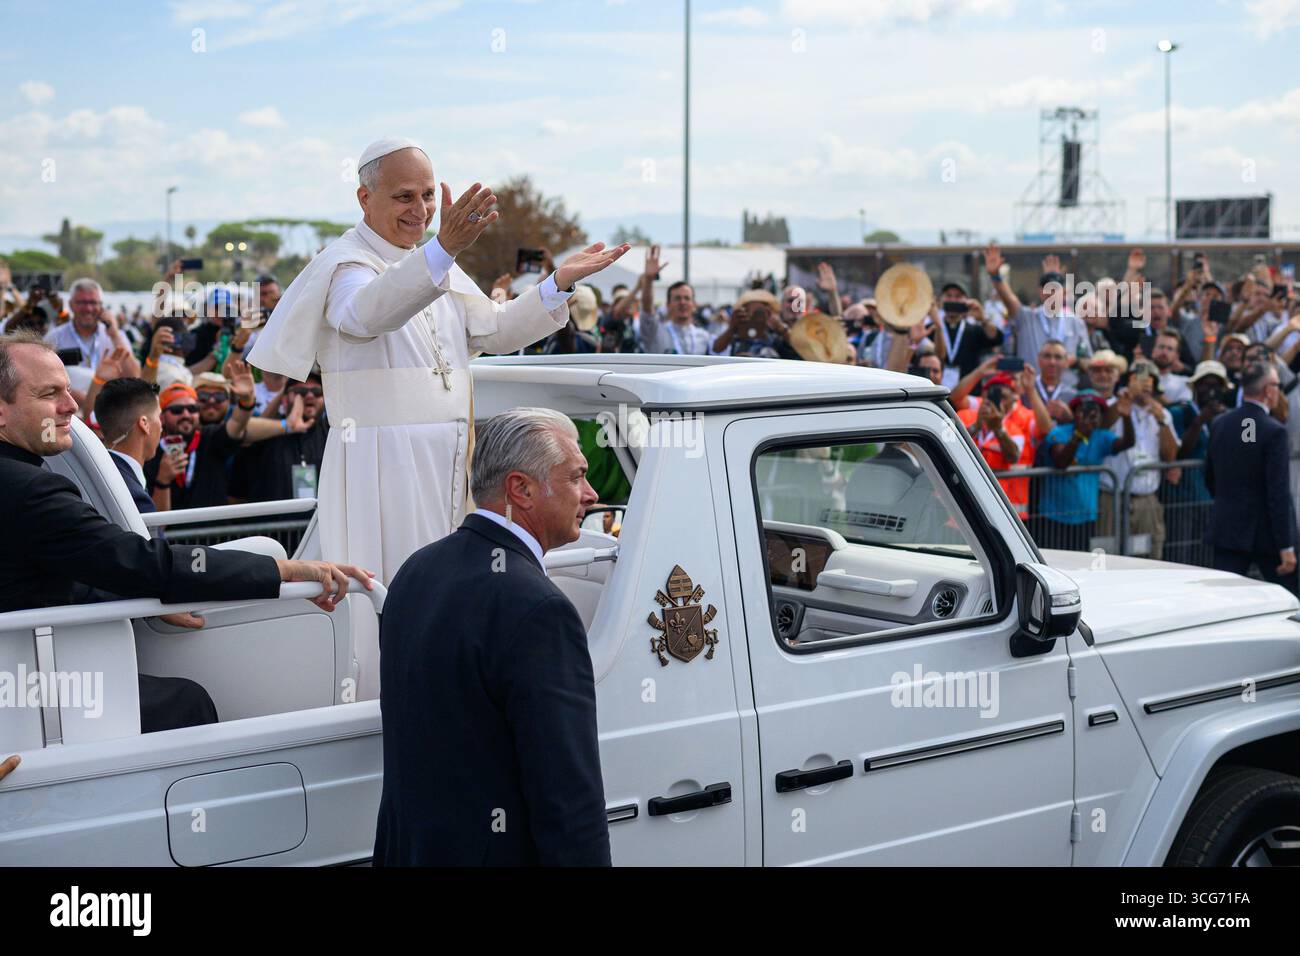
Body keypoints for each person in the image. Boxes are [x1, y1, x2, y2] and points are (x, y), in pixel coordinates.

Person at [248, 137, 629, 593]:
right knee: (395, 591)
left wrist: (556, 283)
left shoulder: (431, 261)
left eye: (428, 195)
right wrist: (442, 249)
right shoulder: (347, 263)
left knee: (448, 592)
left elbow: (496, 330)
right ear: (364, 198)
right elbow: (364, 315)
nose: (421, 209)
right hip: (384, 469)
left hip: (450, 464)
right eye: (404, 196)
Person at [0, 332, 375, 732]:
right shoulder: (29, 489)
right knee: (188, 702)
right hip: (31, 689)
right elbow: (141, 560)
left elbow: (74, 565)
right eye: (49, 393)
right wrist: (282, 570)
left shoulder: (24, 479)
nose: (72, 405)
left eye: (68, 391)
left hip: (29, 673)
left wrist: (151, 590)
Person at [374, 408, 609, 866]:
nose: (590, 493)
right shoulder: (539, 609)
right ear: (520, 489)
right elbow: (567, 798)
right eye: (576, 477)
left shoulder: (416, 569)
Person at [1205, 362, 1298, 593]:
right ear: (1268, 390)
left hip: (1228, 529)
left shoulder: (1219, 423)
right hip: (1267, 537)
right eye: (1277, 385)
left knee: (1223, 602)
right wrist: (1286, 545)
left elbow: (1210, 476)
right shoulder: (1273, 431)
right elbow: (1277, 492)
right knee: (1291, 602)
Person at [1035, 391, 1135, 551]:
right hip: (1054, 515)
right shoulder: (1059, 433)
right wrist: (1078, 435)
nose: (1090, 415)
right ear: (1074, 413)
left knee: (1080, 566)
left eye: (1095, 410)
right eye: (1084, 410)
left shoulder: (1101, 436)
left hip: (1086, 516)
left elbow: (1127, 443)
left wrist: (1127, 417)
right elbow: (1061, 462)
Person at [983, 243, 1092, 385]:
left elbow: (1088, 359)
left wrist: (1075, 360)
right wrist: (996, 277)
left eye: (1056, 288)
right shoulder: (1027, 317)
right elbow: (1010, 300)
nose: (1052, 292)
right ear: (1040, 292)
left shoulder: (1075, 322)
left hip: (1067, 390)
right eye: (1047, 288)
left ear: (1064, 293)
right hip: (1032, 389)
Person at [94, 376, 177, 516]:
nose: (161, 427)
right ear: (144, 424)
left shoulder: (96, 471)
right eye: (158, 416)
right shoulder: (133, 497)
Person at [636, 245, 712, 354]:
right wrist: (648, 280)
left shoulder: (704, 337)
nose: (682, 302)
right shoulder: (656, 332)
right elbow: (647, 312)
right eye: (677, 298)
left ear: (694, 304)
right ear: (667, 304)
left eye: (687, 298)